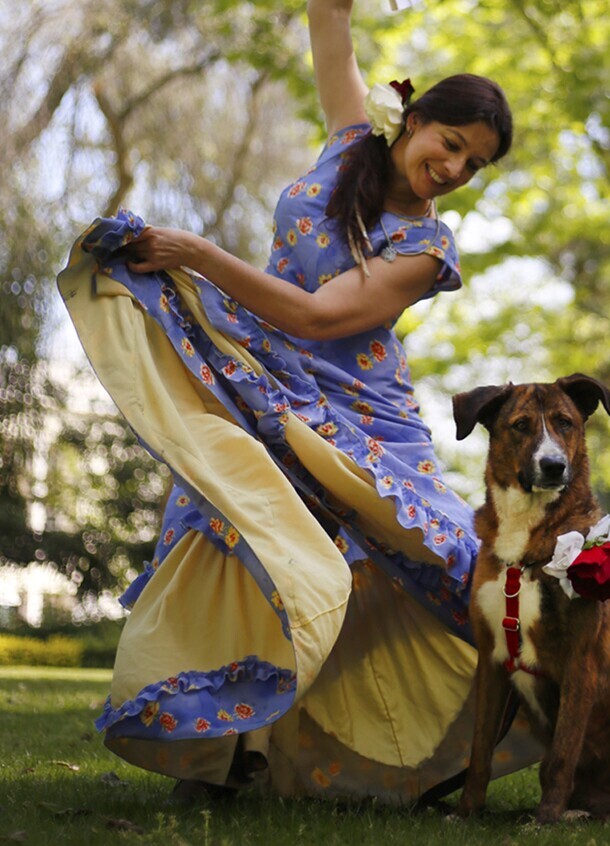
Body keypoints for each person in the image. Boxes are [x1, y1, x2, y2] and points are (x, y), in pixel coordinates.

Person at [54, 0, 533, 800]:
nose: (453, 170)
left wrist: (200, 254)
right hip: (263, 373)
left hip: (359, 413)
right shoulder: (351, 139)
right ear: (411, 120)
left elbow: (317, 315)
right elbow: (327, 18)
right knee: (233, 533)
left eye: (473, 165)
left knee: (448, 565)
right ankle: (214, 759)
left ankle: (502, 735)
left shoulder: (426, 247)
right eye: (450, 144)